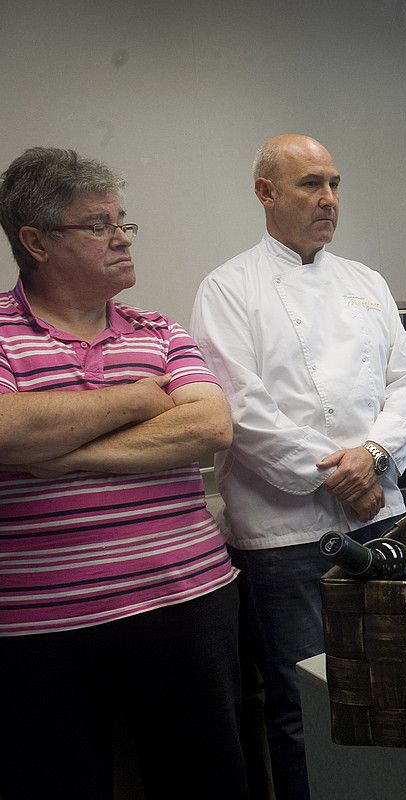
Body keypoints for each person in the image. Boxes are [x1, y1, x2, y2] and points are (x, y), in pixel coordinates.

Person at [0, 148, 248, 798]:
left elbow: (207, 428)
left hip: (189, 604)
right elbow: (4, 430)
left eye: (123, 222)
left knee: (206, 785)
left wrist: (61, 449)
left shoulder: (158, 329)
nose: (121, 239)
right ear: (35, 241)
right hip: (42, 628)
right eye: (98, 224)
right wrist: (139, 400)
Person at [191, 134, 406, 800]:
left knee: (395, 680)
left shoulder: (364, 282)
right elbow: (241, 407)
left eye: (334, 184)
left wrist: (375, 457)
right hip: (284, 537)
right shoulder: (228, 288)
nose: (328, 199)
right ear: (266, 193)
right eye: (309, 185)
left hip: (380, 521)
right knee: (303, 703)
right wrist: (342, 474)